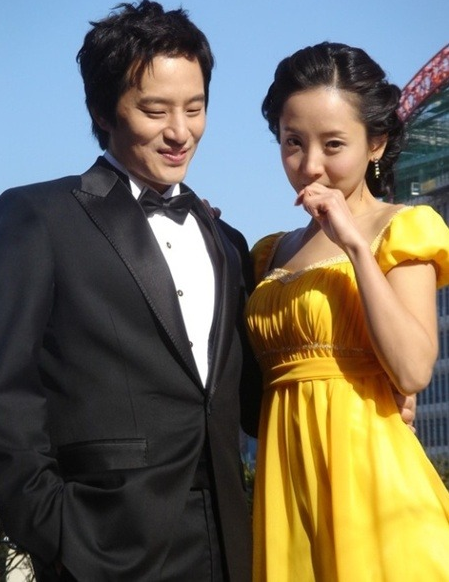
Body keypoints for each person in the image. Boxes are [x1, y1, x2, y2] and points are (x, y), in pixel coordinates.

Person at [0, 2, 262, 581]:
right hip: (100, 543)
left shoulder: (229, 242)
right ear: (102, 108)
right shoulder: (37, 216)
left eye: (195, 108)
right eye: (155, 110)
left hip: (229, 543)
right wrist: (54, 529)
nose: (180, 132)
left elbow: (254, 400)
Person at [245, 42, 449, 581]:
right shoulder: (270, 253)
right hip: (287, 491)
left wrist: (356, 246)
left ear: (375, 143)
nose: (310, 165)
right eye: (293, 142)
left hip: (376, 493)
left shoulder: (401, 229)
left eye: (333, 144)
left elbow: (412, 370)